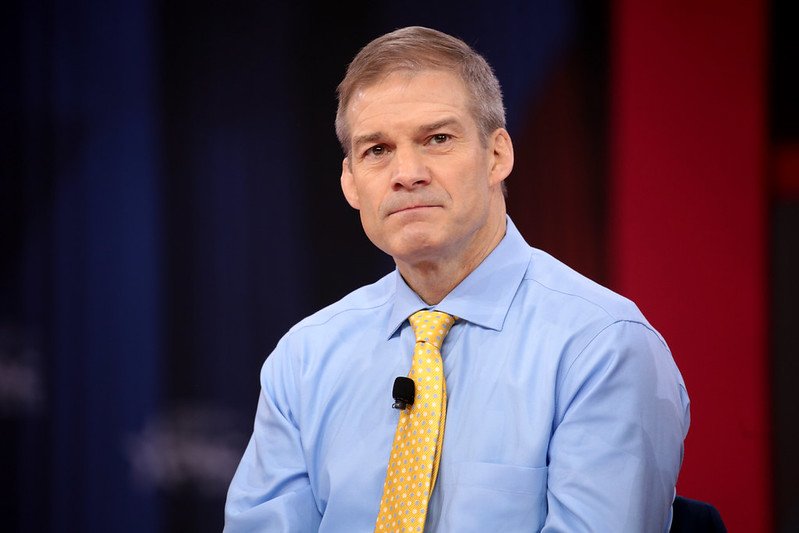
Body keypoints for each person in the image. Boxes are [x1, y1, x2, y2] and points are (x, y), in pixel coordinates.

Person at [224, 26, 689, 532]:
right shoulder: (304, 358)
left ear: (497, 156)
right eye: (377, 150)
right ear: (350, 183)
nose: (407, 172)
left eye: (437, 139)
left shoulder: (602, 347)